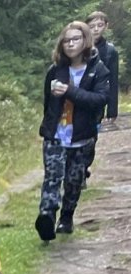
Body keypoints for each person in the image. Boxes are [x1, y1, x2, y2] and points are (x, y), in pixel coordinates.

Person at [36, 20, 112, 241]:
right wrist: (48, 126)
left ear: (85, 41)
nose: (70, 44)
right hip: (56, 135)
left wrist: (69, 91)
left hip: (82, 137)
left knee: (73, 181)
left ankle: (66, 217)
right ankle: (47, 216)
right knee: (52, 177)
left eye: (75, 39)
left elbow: (99, 100)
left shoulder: (98, 70)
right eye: (66, 40)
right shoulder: (55, 71)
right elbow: (47, 103)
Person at [88, 12, 119, 125]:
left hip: (99, 98)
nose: (96, 29)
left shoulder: (110, 51)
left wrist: (112, 111)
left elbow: (113, 81)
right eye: (92, 26)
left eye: (100, 25)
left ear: (106, 26)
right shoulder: (79, 46)